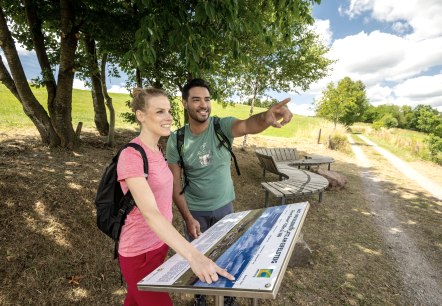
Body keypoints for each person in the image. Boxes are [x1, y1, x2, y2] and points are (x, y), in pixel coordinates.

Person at [166, 78, 293, 306]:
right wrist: (188, 217)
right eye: (196, 100)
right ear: (185, 103)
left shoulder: (221, 127)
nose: (203, 105)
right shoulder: (176, 139)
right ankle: (202, 298)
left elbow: (247, 125)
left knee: (228, 254)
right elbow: (174, 185)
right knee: (198, 259)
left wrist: (266, 117)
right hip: (194, 211)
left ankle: (228, 297)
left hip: (225, 207)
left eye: (206, 99)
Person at [117, 87, 234, 306]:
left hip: (159, 245)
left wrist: (188, 219)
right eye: (160, 111)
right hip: (138, 253)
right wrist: (194, 256)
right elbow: (150, 213)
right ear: (141, 115)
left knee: (134, 301)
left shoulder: (157, 151)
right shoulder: (131, 155)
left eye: (169, 110)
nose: (169, 117)